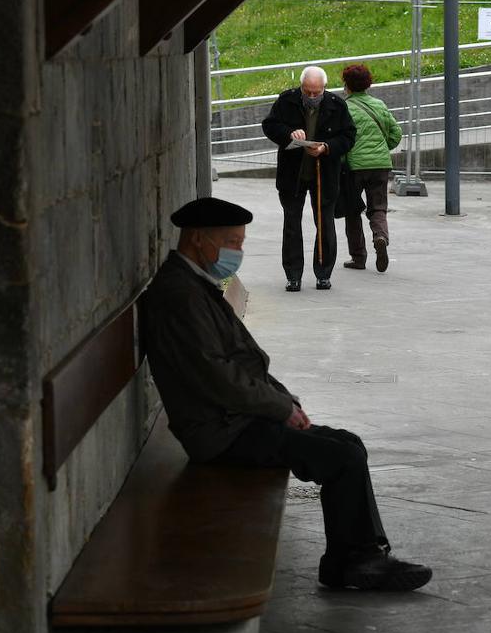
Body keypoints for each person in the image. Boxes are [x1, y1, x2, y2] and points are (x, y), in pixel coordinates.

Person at [139, 197, 433, 591]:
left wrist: (285, 401)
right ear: (197, 240)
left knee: (347, 444)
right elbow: (218, 377)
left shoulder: (192, 283)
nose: (238, 252)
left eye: (241, 243)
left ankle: (355, 557)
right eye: (232, 242)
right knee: (341, 458)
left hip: (234, 418)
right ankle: (356, 561)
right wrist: (279, 407)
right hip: (220, 432)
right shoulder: (180, 294)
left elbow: (240, 363)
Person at [262, 66, 355, 292]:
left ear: (325, 88)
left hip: (324, 175)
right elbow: (269, 125)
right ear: (301, 87)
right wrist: (289, 134)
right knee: (291, 224)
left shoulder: (336, 104)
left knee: (325, 223)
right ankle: (293, 275)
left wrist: (326, 147)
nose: (312, 96)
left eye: (316, 92)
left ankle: (323, 273)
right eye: (307, 91)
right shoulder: (287, 100)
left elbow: (349, 136)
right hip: (292, 175)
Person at [339, 64, 402, 273]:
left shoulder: (344, 107)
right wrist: (382, 149)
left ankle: (358, 257)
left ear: (346, 85)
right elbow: (396, 133)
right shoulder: (379, 104)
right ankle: (380, 236)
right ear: (368, 84)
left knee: (352, 210)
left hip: (354, 167)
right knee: (378, 207)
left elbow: (342, 140)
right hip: (380, 165)